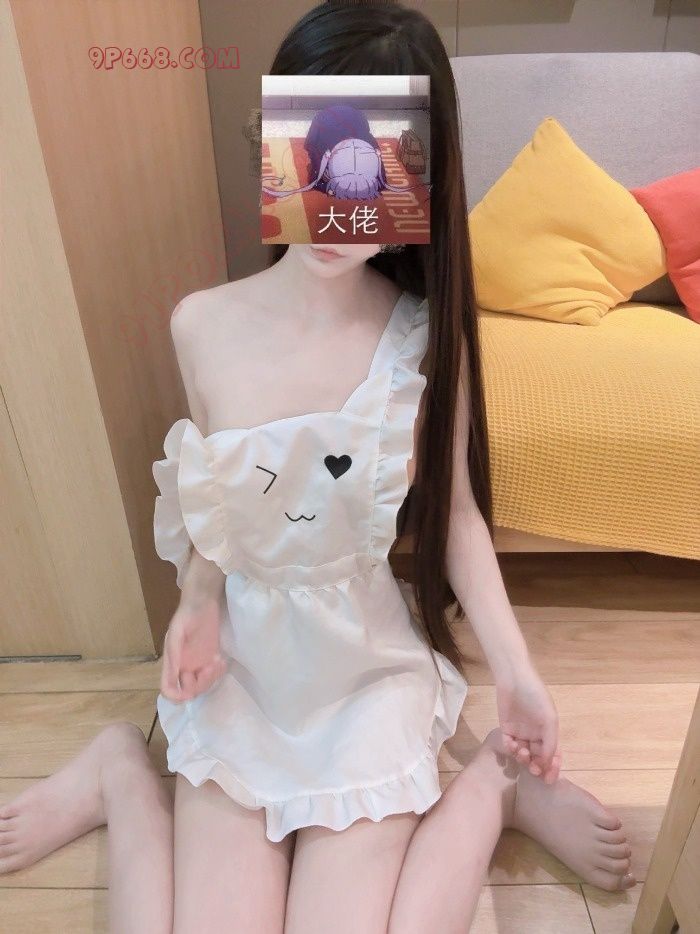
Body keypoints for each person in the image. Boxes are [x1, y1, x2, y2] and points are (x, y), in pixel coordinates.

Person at [0, 4, 636, 933]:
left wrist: (517, 672)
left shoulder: (424, 341)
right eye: (313, 157)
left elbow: (458, 517)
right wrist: (197, 603)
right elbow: (214, 501)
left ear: (421, 180)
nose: (338, 206)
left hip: (362, 678)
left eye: (374, 173)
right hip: (248, 677)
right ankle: (120, 773)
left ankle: (495, 785)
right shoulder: (202, 325)